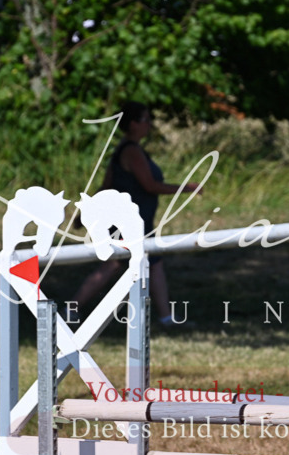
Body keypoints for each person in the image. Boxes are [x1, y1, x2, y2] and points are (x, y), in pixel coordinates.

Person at [69, 102, 199, 326]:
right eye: (145, 120)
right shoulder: (131, 151)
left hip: (137, 222)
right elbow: (149, 185)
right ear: (132, 124)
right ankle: (71, 310)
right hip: (130, 223)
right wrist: (186, 188)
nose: (149, 125)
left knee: (149, 263)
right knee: (113, 266)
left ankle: (165, 316)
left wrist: (84, 214)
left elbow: (106, 187)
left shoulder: (123, 149)